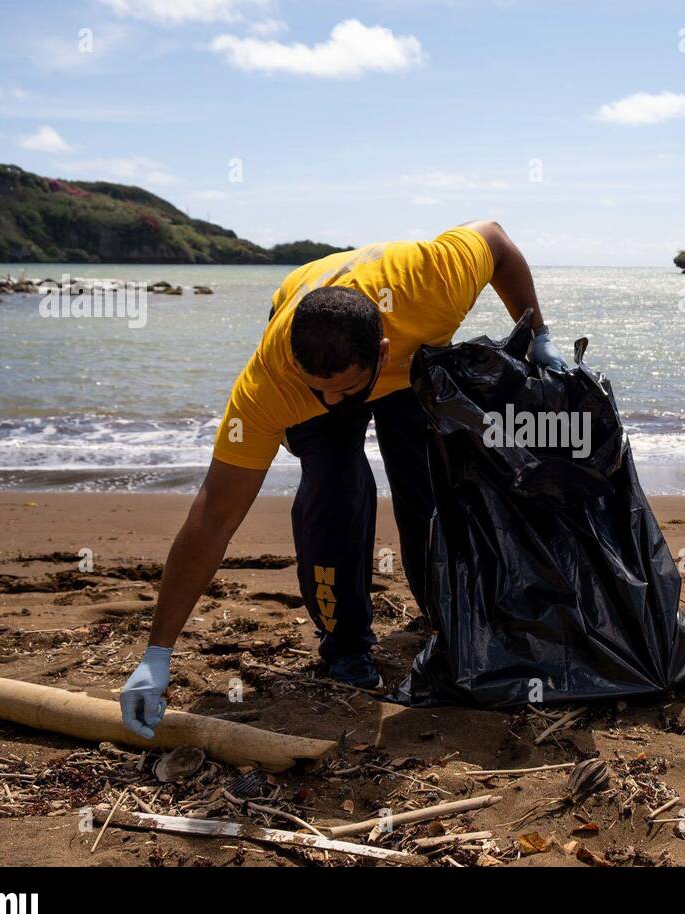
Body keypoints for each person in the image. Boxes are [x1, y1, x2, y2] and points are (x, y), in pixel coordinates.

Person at [118, 221, 567, 738]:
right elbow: (214, 515)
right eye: (321, 391)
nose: (333, 402)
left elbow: (494, 238)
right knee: (337, 486)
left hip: (409, 349)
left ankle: (442, 612)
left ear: (379, 352)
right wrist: (157, 654)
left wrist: (538, 336)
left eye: (345, 390)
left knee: (424, 481)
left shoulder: (434, 282)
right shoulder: (272, 384)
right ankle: (345, 643)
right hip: (320, 331)